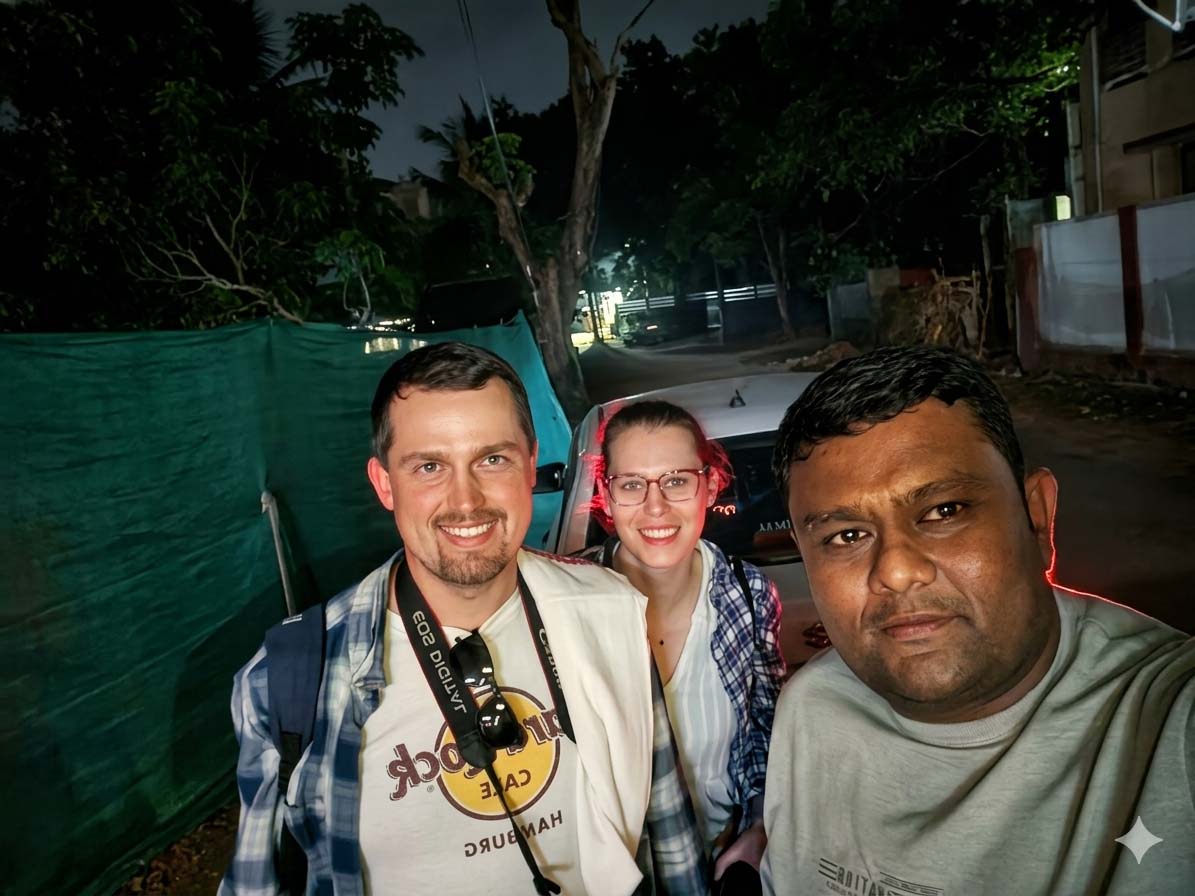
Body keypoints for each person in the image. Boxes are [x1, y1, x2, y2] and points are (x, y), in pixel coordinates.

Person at [219, 342, 705, 896]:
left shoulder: (612, 613)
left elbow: (671, 836)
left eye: (492, 459)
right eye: (429, 467)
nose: (466, 501)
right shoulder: (288, 680)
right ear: (384, 484)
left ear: (530, 464)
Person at [761, 345, 1195, 895]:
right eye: (846, 536)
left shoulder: (1166, 717)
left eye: (944, 511)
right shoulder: (811, 707)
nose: (896, 571)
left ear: (1037, 517)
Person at [580, 400, 785, 885]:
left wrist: (758, 829)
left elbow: (767, 732)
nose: (656, 507)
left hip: (725, 868)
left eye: (676, 481)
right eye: (632, 484)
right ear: (606, 497)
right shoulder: (566, 603)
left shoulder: (748, 595)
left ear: (709, 487)